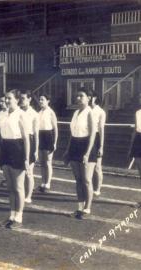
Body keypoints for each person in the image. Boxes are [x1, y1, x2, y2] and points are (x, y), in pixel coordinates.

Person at [0, 90, 30, 229]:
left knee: (18, 186)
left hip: (17, 149)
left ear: (17, 100)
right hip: (5, 148)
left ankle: (19, 216)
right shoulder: (3, 114)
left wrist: (27, 159)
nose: (6, 101)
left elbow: (26, 139)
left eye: (9, 98)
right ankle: (12, 215)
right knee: (10, 187)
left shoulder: (21, 115)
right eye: (5, 98)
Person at [63, 88, 97, 219]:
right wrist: (68, 150)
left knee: (87, 180)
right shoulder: (76, 112)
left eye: (81, 96)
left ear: (89, 98)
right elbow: (73, 134)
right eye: (77, 96)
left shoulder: (90, 113)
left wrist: (87, 153)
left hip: (87, 146)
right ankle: (79, 208)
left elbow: (93, 134)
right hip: (75, 146)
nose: (78, 98)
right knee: (78, 180)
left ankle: (87, 209)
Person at [19, 90, 39, 204]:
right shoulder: (18, 112)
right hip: (19, 141)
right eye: (20, 98)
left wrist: (35, 150)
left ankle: (28, 196)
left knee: (29, 171)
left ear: (29, 99)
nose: (21, 101)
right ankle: (21, 193)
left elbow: (36, 134)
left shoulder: (34, 114)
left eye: (23, 98)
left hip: (30, 141)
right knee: (20, 170)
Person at [38, 94, 58, 192]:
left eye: (43, 99)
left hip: (48, 137)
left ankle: (48, 184)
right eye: (40, 99)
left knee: (48, 162)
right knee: (42, 162)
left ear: (48, 101)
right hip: (40, 136)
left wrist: (55, 142)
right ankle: (43, 182)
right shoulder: (39, 112)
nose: (41, 101)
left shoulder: (51, 112)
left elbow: (55, 129)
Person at [90, 92, 106, 196]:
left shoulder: (100, 112)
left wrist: (101, 146)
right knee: (88, 166)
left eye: (90, 97)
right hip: (86, 138)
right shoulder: (86, 110)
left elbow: (101, 129)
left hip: (96, 138)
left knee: (97, 167)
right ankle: (90, 188)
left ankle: (97, 189)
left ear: (94, 98)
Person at [0, 95, 8, 187]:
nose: (1, 103)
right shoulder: (0, 113)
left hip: (9, 139)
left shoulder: (10, 113)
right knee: (2, 160)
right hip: (1, 138)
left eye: (3, 101)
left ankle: (8, 178)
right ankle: (5, 177)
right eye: (0, 101)